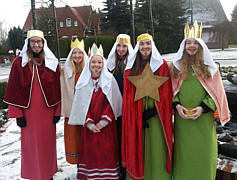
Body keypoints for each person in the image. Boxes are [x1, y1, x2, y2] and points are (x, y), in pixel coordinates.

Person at [169, 21, 230, 180]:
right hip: (183, 121)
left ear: (201, 45)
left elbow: (216, 93)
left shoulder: (209, 67)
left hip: (202, 119)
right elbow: (172, 91)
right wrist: (177, 106)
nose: (191, 46)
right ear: (183, 46)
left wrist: (202, 108)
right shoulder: (176, 67)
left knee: (204, 154)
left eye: (195, 43)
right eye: (188, 42)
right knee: (184, 156)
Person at [3, 30, 61, 180]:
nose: (36, 44)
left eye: (39, 42)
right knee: (31, 147)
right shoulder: (19, 63)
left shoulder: (50, 62)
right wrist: (17, 114)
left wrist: (57, 112)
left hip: (47, 113)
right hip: (28, 114)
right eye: (33, 42)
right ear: (28, 44)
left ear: (43, 44)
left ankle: (48, 174)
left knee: (47, 146)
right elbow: (14, 90)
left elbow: (58, 89)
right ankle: (35, 175)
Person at [122, 33, 173, 180]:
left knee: (156, 148)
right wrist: (137, 114)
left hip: (157, 118)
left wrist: (155, 111)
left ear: (152, 46)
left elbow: (166, 94)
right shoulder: (130, 68)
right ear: (138, 48)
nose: (145, 47)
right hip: (136, 118)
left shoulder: (162, 66)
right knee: (138, 148)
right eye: (142, 44)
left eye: (148, 44)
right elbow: (128, 98)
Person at [68, 43, 122, 179]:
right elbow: (81, 104)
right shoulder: (83, 82)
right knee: (91, 152)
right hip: (90, 128)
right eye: (93, 62)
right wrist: (91, 123)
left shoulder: (110, 80)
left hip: (106, 127)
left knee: (106, 152)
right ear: (89, 64)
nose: (96, 65)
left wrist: (103, 122)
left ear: (103, 64)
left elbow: (113, 103)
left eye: (99, 62)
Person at [107, 33, 133, 179]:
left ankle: (127, 168)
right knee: (116, 138)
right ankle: (117, 167)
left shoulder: (133, 64)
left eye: (124, 46)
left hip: (129, 107)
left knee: (127, 138)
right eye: (119, 46)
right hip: (114, 107)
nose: (121, 49)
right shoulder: (110, 64)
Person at [60, 38, 88, 177]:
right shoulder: (65, 72)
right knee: (75, 141)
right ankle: (79, 169)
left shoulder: (89, 69)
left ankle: (88, 167)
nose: (77, 56)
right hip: (72, 112)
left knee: (87, 140)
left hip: (86, 112)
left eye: (80, 53)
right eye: (74, 53)